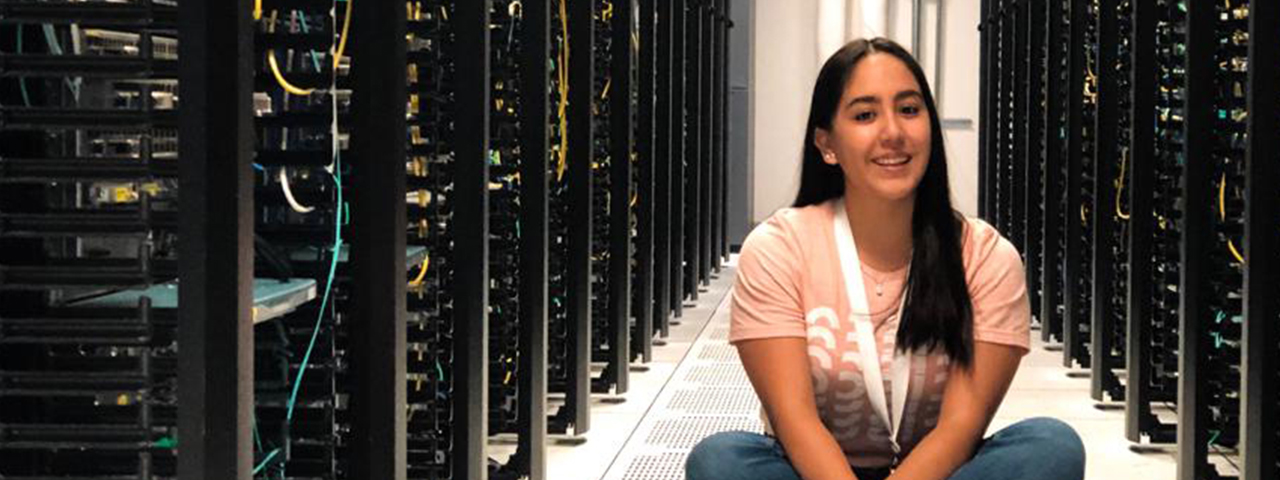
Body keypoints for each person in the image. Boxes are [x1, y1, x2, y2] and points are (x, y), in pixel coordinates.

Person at [684, 38, 1085, 480]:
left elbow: (960, 428)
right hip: (811, 471)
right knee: (721, 460)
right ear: (827, 144)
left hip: (936, 471)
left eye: (909, 110)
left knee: (1050, 446)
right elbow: (795, 423)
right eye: (864, 115)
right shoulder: (780, 248)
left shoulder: (985, 256)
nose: (892, 132)